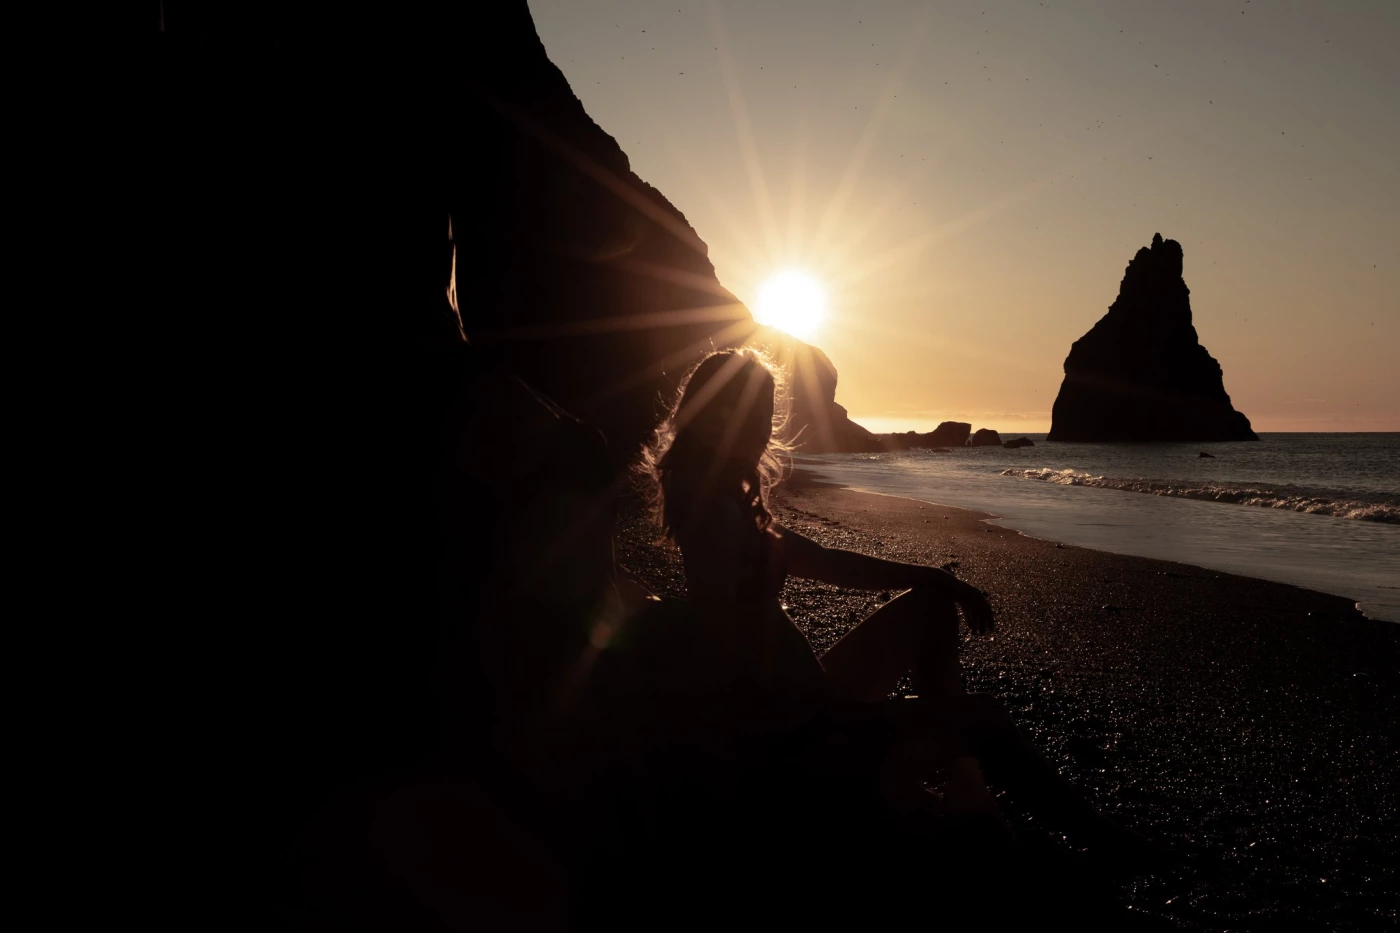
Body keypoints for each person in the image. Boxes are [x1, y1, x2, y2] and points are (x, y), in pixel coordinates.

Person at [635, 347, 1169, 866]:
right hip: (795, 734)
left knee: (931, 603)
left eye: (763, 412)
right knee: (983, 716)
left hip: (809, 702)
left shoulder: (732, 504)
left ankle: (967, 789)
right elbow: (721, 644)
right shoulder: (714, 516)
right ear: (714, 415)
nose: (759, 428)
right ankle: (1106, 845)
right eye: (749, 412)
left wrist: (935, 576)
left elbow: (827, 562)